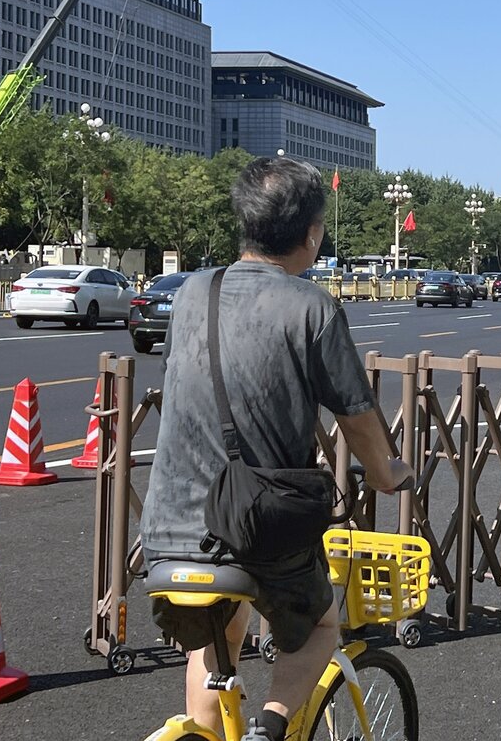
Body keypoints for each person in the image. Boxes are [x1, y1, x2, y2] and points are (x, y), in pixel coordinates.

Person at [139, 157, 412, 741]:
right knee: (318, 625)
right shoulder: (312, 306)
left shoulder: (191, 293)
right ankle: (271, 728)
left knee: (218, 636)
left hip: (171, 525)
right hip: (260, 524)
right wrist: (386, 473)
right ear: (312, 234)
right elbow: (357, 417)